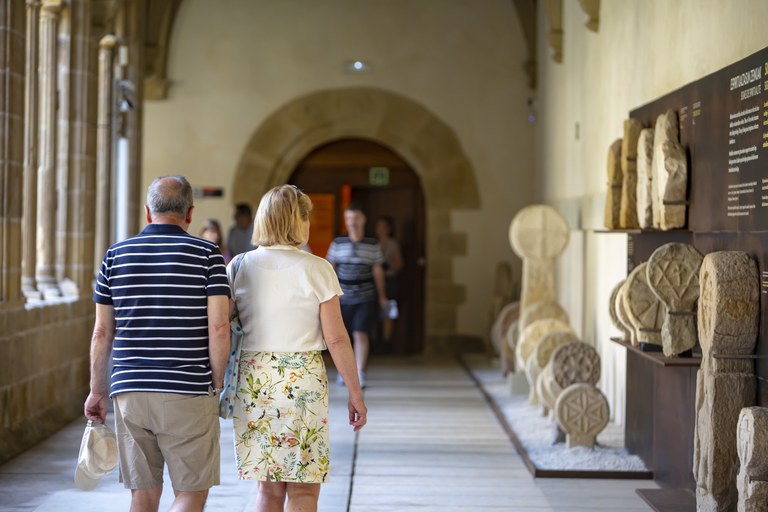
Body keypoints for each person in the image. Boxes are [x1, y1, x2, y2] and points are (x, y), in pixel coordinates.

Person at [84, 175, 231, 512]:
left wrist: (97, 390)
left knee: (143, 495)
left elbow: (102, 332)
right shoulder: (208, 255)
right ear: (190, 213)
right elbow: (219, 327)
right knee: (191, 493)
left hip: (130, 390)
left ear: (148, 212)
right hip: (187, 388)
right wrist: (217, 382)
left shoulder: (115, 255)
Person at [228, 185, 366, 512]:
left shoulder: (238, 266)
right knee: (303, 491)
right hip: (303, 380)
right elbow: (336, 338)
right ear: (299, 221)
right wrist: (355, 392)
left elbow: (223, 326)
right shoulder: (318, 268)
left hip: (255, 381)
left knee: (267, 490)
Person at [326, 205, 388, 388]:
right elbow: (330, 268)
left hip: (365, 297)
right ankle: (344, 371)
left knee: (360, 333)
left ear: (363, 220)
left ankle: (360, 372)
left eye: (356, 218)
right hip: (341, 298)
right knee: (341, 336)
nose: (352, 222)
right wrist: (327, 294)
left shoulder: (372, 244)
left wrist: (382, 296)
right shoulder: (338, 243)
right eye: (349, 218)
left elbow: (377, 271)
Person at [375, 215, 403, 343]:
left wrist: (388, 265)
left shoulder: (393, 244)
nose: (381, 229)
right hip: (374, 281)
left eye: (384, 226)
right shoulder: (374, 243)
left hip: (389, 280)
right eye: (379, 226)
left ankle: (386, 341)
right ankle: (374, 339)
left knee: (388, 311)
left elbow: (399, 263)